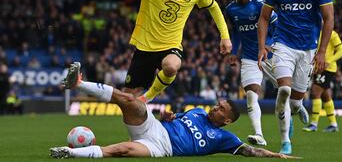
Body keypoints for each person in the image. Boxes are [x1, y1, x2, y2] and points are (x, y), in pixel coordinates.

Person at [50, 62, 299, 159]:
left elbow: (252, 151)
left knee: (122, 150)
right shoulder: (197, 112)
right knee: (130, 100)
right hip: (153, 127)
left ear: (228, 120)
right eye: (218, 104)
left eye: (221, 108)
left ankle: (69, 153)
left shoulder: (226, 139)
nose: (216, 107)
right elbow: (169, 118)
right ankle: (79, 83)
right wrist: (166, 116)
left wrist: (278, 156)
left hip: (160, 148)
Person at [121, 0, 232, 102]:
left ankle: (147, 98)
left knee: (171, 67)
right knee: (128, 99)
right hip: (145, 46)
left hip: (170, 45)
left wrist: (225, 36)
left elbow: (214, 7)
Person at [257, 0, 334, 155]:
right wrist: (261, 48)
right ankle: (285, 141)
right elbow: (264, 18)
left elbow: (329, 18)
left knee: (296, 98)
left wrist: (322, 51)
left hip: (307, 49)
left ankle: (297, 106)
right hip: (283, 45)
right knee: (283, 89)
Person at [225, 0, 279, 147]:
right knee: (251, 93)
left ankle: (294, 111)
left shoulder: (261, 5)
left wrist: (269, 43)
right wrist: (234, 50)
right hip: (249, 57)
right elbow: (236, 32)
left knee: (290, 94)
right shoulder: (231, 9)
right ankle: (259, 134)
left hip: (271, 55)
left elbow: (277, 25)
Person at [303, 30, 342, 132]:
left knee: (315, 91)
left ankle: (314, 124)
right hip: (318, 68)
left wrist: (328, 61)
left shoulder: (331, 33)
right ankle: (333, 124)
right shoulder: (314, 32)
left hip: (327, 68)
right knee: (325, 95)